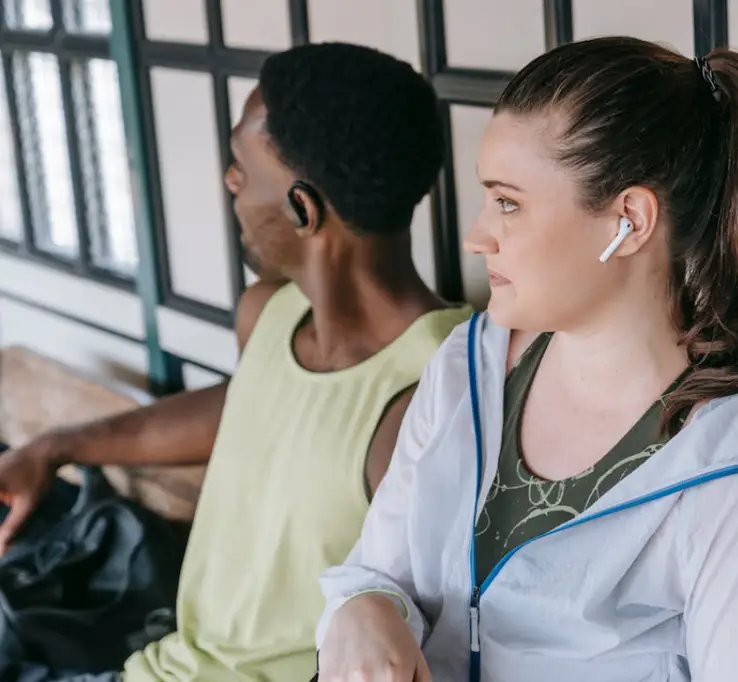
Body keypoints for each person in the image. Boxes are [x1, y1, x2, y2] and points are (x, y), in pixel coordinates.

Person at [314, 37, 738, 682]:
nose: (477, 235)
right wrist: (364, 609)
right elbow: (377, 573)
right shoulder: (467, 366)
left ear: (628, 221)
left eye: (508, 203)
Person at [0, 42, 472, 681]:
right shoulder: (270, 315)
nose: (229, 182)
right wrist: (57, 446)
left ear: (303, 209)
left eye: (241, 168)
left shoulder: (434, 389)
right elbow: (247, 409)